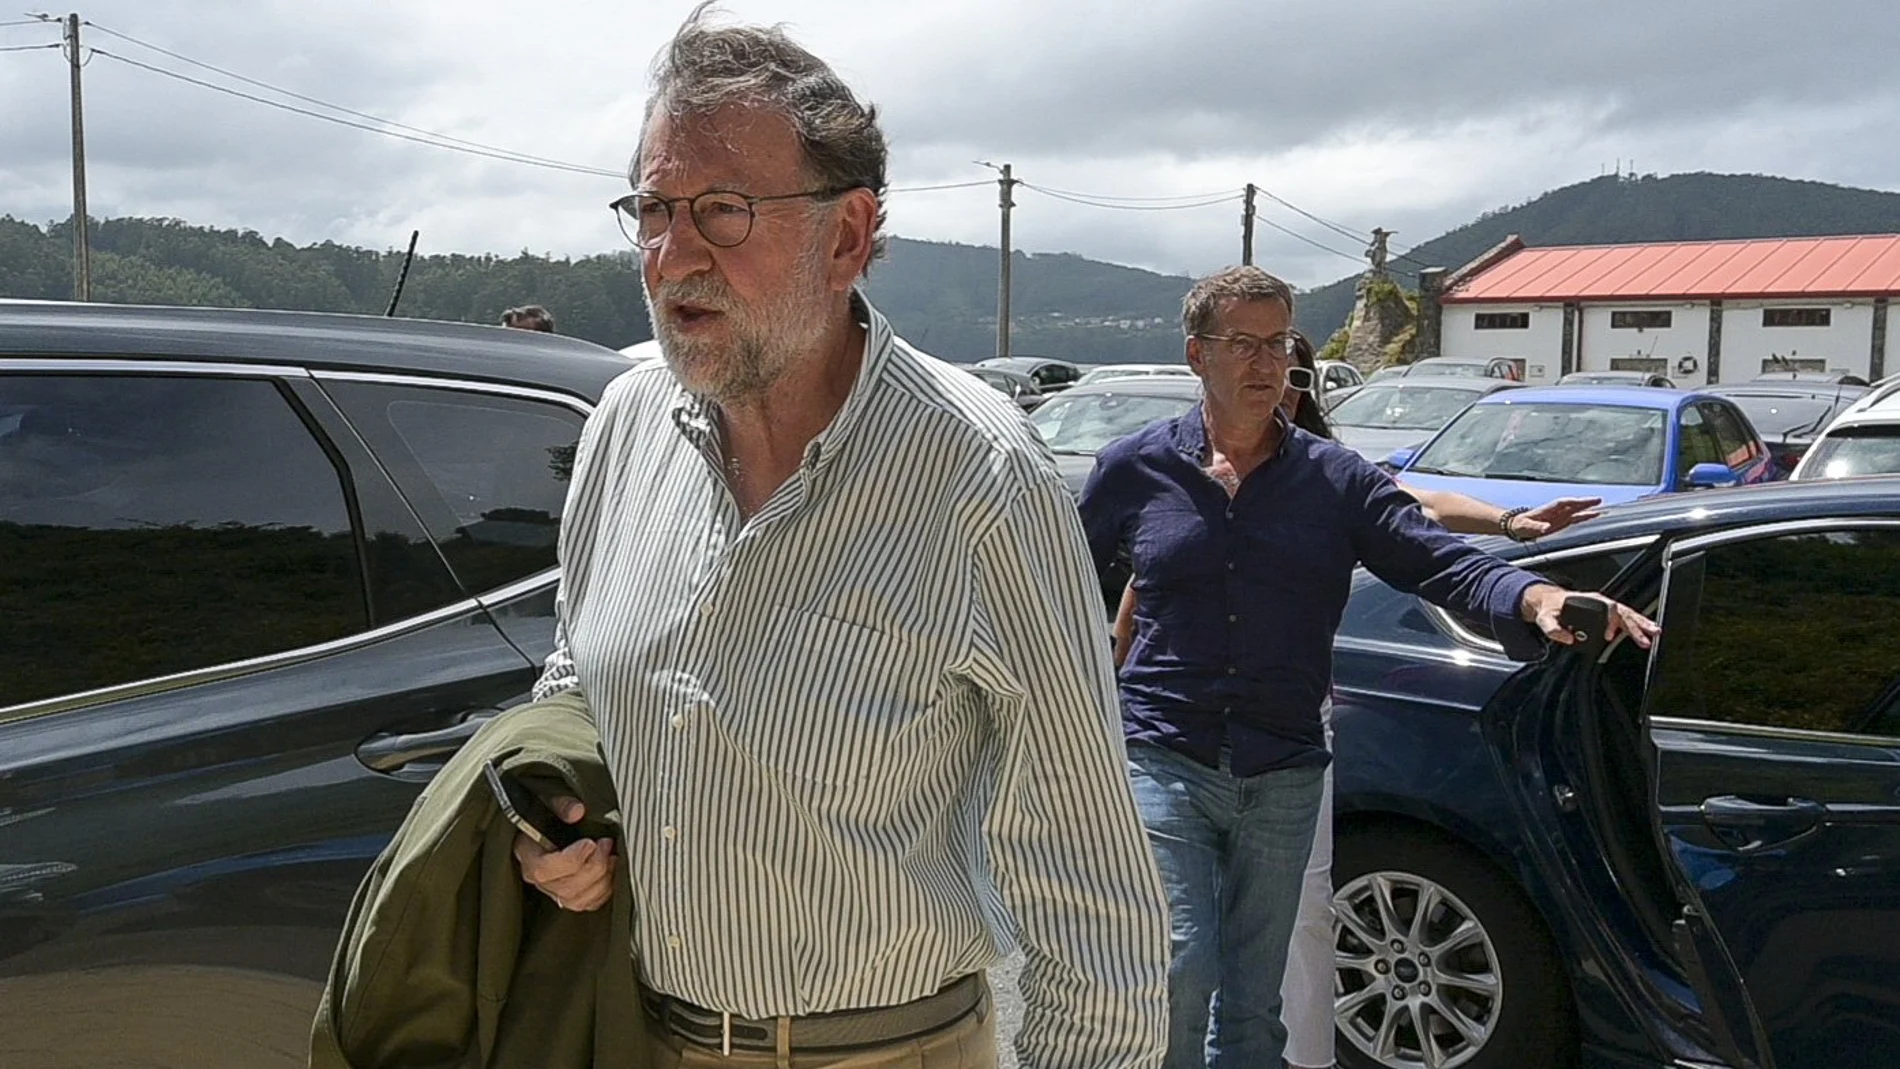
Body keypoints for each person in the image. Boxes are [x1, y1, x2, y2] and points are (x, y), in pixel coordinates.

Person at [515, 9, 1170, 1069]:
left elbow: (1085, 867)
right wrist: (554, 809)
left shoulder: (979, 476)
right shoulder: (624, 426)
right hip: (636, 1036)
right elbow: (573, 671)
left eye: (721, 210)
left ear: (849, 236)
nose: (671, 253)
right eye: (652, 209)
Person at [1079, 265, 1656, 1069]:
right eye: (1242, 343)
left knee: (1255, 999)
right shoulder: (1134, 467)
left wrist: (1531, 597)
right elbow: (1062, 578)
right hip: (1165, 752)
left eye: (1276, 342)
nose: (1264, 362)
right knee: (1181, 966)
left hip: (1283, 767)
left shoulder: (1334, 479)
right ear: (1195, 354)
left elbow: (1439, 559)